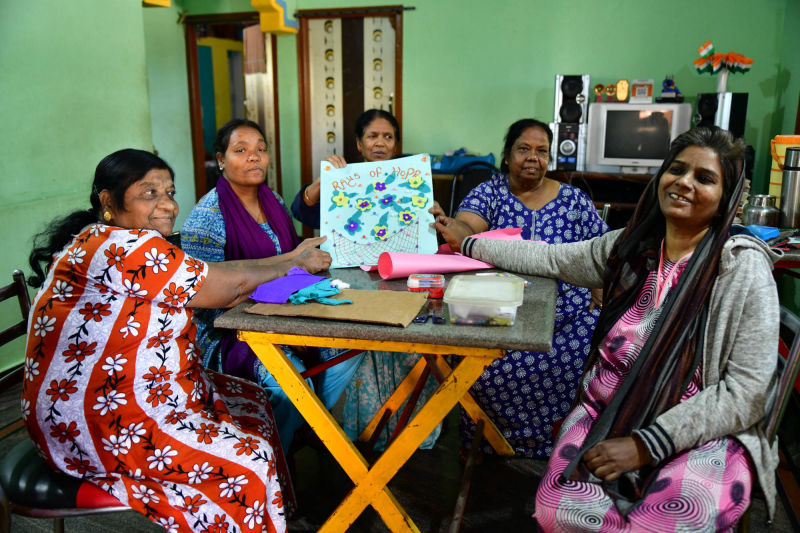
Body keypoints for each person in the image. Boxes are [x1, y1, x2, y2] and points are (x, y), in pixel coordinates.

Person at [436, 126, 780, 530]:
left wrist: (646, 444)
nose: (684, 182)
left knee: (667, 521)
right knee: (560, 510)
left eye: (704, 178)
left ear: (728, 198)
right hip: (607, 411)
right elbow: (551, 259)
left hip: (702, 429)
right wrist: (470, 244)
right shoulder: (630, 247)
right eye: (677, 169)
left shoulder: (740, 266)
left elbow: (748, 390)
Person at [23, 149, 327, 532]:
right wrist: (293, 263)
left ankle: (270, 517)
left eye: (169, 192)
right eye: (149, 193)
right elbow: (227, 288)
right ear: (108, 201)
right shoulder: (125, 247)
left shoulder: (113, 238)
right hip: (94, 420)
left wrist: (288, 258)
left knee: (254, 403)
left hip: (105, 399)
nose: (166, 204)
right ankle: (251, 511)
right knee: (247, 461)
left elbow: (213, 273)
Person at [429, 118, 608, 458]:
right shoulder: (490, 192)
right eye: (523, 149)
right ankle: (489, 444)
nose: (532, 157)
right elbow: (469, 225)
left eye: (542, 151)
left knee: (581, 355)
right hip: (497, 316)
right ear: (508, 156)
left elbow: (603, 253)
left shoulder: (574, 200)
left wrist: (599, 296)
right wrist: (455, 227)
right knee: (481, 366)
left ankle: (558, 447)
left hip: (566, 322)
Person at [181, 118, 363, 450]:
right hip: (230, 328)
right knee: (285, 381)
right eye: (241, 150)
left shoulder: (275, 202)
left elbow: (292, 263)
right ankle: (274, 456)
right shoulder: (207, 216)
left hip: (286, 310)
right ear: (221, 159)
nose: (254, 157)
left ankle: (300, 430)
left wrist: (307, 261)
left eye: (261, 150)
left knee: (350, 350)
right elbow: (203, 296)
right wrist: (293, 263)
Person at [290, 108, 441, 450]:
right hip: (352, 281)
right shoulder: (343, 177)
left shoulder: (408, 177)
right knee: (359, 348)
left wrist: (434, 216)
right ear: (359, 143)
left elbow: (428, 223)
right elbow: (300, 209)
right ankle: (363, 428)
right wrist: (323, 179)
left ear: (396, 142)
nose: (380, 143)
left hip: (400, 280)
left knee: (406, 346)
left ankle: (409, 429)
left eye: (388, 137)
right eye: (372, 136)